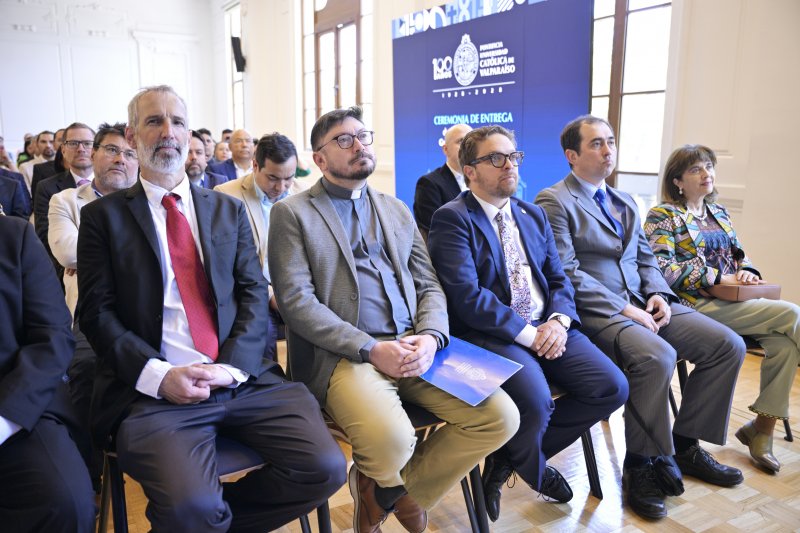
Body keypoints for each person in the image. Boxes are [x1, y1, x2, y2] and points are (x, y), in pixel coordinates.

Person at [77, 85, 345, 533]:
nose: (168, 131)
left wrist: (232, 367)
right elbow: (96, 315)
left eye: (178, 122)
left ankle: (209, 525)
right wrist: (160, 375)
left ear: (188, 135)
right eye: (154, 121)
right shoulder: (103, 218)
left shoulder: (226, 210)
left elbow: (253, 294)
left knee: (325, 468)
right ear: (132, 135)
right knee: (193, 509)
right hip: (155, 393)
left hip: (242, 379)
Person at [269, 106, 519, 533]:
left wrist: (432, 335)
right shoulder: (293, 213)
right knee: (393, 441)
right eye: (344, 140)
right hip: (345, 355)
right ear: (320, 159)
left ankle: (387, 491)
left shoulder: (396, 208)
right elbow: (296, 303)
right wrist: (370, 348)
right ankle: (394, 484)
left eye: (363, 136)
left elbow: (429, 284)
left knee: (501, 416)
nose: (359, 145)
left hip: (414, 344)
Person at [535, 115, 746, 520]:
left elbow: (647, 259)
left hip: (643, 302)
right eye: (596, 143)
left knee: (727, 345)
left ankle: (684, 445)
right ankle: (640, 464)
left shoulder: (625, 200)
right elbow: (566, 272)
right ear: (572, 155)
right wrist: (625, 308)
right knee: (656, 357)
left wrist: (658, 295)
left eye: (611, 141)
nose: (608, 150)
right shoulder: (555, 200)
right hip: (598, 311)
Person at [428, 125, 628, 520]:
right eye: (495, 158)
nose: (509, 165)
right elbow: (467, 298)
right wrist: (530, 335)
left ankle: (509, 457)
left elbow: (559, 279)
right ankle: (535, 468)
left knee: (612, 387)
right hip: (491, 333)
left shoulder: (532, 214)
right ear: (470, 171)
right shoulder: (452, 218)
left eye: (513, 156)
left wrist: (558, 322)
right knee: (535, 403)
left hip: (547, 325)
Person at [645, 144, 800, 474]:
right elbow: (661, 269)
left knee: (785, 345)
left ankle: (762, 431)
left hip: (733, 302)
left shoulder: (719, 213)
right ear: (677, 181)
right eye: (696, 169)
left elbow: (740, 257)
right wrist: (717, 276)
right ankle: (757, 433)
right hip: (694, 305)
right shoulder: (663, 216)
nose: (707, 174)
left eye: (709, 167)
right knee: (792, 314)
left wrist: (748, 272)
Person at [0, 215, 95, 533]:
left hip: (15, 405)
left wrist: (4, 419)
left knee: (65, 501)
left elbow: (52, 337)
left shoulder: (13, 237)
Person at [215, 133, 307, 360]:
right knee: (261, 335)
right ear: (255, 166)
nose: (281, 187)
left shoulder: (303, 194)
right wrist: (271, 296)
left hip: (297, 288)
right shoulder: (227, 196)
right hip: (252, 290)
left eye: (288, 178)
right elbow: (230, 263)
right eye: (273, 178)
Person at [413, 123, 472, 238]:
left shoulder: (483, 181)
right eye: (461, 142)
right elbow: (434, 230)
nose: (467, 147)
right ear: (446, 149)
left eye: (470, 143)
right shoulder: (428, 184)